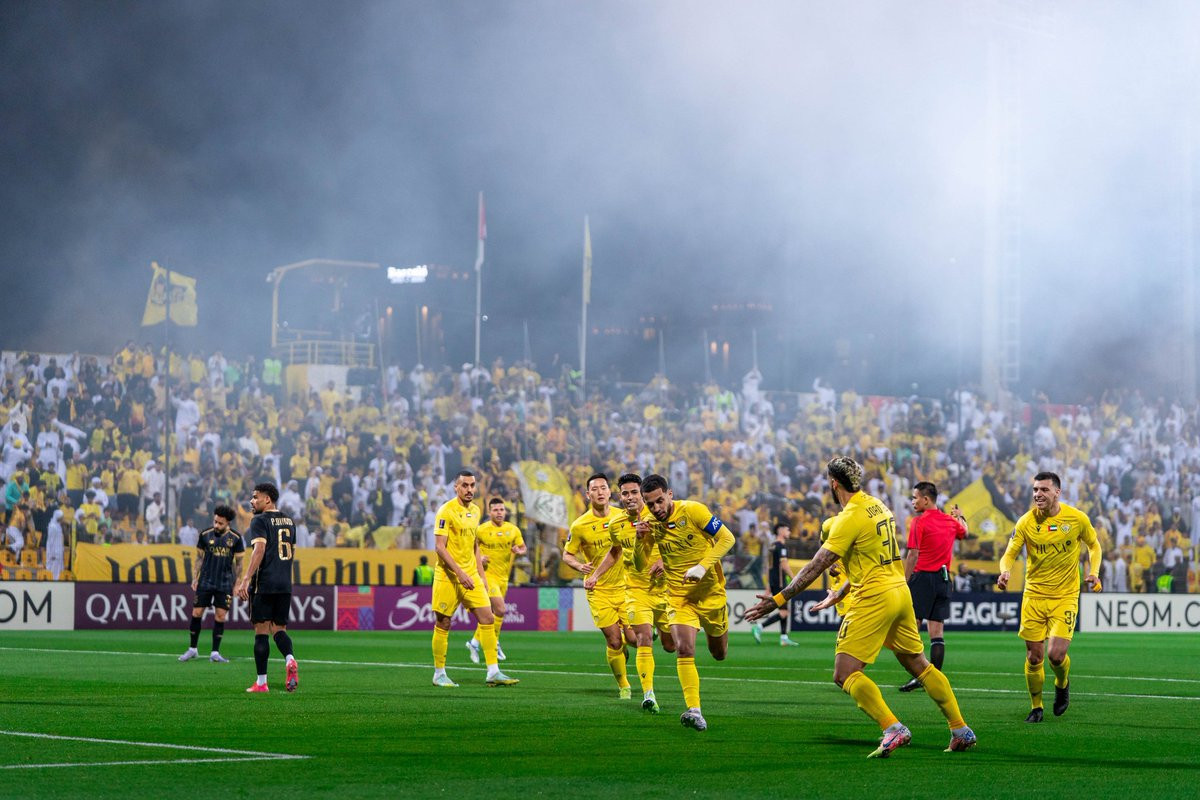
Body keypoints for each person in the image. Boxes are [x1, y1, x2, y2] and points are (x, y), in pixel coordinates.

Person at [745, 457, 976, 757]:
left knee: (845, 673)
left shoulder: (848, 517)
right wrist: (840, 593)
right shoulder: (878, 505)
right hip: (900, 592)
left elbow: (817, 565)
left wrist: (778, 599)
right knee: (920, 665)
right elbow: (869, 559)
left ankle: (892, 728)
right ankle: (960, 729)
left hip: (874, 597)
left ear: (834, 483)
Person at [997, 471, 1102, 722]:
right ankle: (1036, 707)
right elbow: (1009, 553)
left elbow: (1094, 545)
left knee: (1056, 655)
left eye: (1044, 489)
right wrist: (1005, 571)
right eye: (1035, 490)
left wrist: (1094, 573)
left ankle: (1062, 683)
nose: (1038, 494)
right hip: (1034, 596)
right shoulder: (1026, 522)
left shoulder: (1076, 518)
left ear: (1057, 492)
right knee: (1034, 656)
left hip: (1065, 596)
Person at [637, 473, 734, 732]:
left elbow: (728, 539)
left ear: (669, 494)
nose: (656, 508)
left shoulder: (693, 511)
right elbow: (639, 564)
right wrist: (639, 541)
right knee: (684, 648)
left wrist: (702, 567)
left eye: (660, 501)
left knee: (719, 654)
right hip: (678, 596)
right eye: (650, 504)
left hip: (710, 593)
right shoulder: (648, 522)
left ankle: (719, 635)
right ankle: (694, 710)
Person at [430, 470, 517, 688]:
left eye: (472, 485)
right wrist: (460, 574)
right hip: (448, 577)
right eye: (465, 485)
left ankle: (493, 671)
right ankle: (439, 674)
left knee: (488, 618)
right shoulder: (446, 511)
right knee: (444, 622)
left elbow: (474, 546)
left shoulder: (476, 510)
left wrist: (481, 576)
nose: (469, 490)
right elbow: (439, 547)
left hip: (471, 576)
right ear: (456, 487)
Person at [563, 473, 632, 699]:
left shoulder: (622, 516)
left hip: (626, 587)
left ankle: (627, 645)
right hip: (598, 589)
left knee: (633, 639)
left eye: (603, 488)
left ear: (610, 492)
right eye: (595, 489)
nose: (600, 492)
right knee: (614, 640)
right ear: (588, 494)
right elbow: (567, 554)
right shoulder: (580, 525)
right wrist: (579, 565)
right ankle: (624, 686)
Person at [613, 472, 676, 713]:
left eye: (634, 492)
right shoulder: (616, 525)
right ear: (620, 496)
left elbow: (681, 546)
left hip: (666, 590)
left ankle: (661, 630)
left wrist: (664, 562)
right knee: (643, 639)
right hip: (636, 590)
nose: (630, 497)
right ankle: (648, 694)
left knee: (671, 646)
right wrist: (596, 575)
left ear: (643, 494)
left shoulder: (661, 516)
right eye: (625, 493)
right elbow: (614, 552)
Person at [898, 481, 968, 692]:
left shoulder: (919, 522)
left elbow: (913, 554)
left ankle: (921, 675)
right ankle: (934, 680)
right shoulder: (949, 521)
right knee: (937, 633)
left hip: (922, 578)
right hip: (943, 580)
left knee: (912, 630)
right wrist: (960, 516)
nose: (913, 501)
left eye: (915, 497)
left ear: (926, 499)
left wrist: (904, 580)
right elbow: (964, 531)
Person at [234, 483, 299, 693]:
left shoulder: (259, 520)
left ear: (267, 499)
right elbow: (292, 553)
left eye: (255, 497)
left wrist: (246, 579)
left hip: (265, 583)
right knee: (279, 630)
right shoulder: (289, 521)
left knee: (261, 631)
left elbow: (259, 549)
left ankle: (261, 683)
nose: (252, 501)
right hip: (284, 583)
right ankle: (290, 659)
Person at [179, 505, 244, 664]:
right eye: (215, 521)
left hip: (225, 582)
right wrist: (195, 577)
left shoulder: (236, 538)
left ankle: (215, 652)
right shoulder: (205, 535)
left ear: (228, 523)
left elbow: (239, 563)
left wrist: (237, 584)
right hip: (206, 581)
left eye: (220, 523)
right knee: (196, 613)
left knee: (220, 616)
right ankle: (192, 649)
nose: (216, 525)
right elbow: (199, 558)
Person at [466, 497, 526, 663]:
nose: (499, 513)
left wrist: (519, 551)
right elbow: (469, 549)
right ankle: (494, 642)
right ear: (489, 512)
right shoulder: (481, 530)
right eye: (495, 510)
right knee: (500, 609)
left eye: (501, 509)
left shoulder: (513, 530)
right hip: (487, 577)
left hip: (503, 578)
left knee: (491, 615)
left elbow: (523, 547)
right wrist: (479, 559)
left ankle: (474, 643)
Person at [750, 524, 800, 646]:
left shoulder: (772, 546)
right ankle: (759, 627)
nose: (789, 532)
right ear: (780, 531)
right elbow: (784, 565)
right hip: (780, 582)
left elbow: (769, 567)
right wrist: (794, 578)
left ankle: (783, 637)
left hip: (774, 581)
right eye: (787, 529)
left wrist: (769, 584)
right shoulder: (781, 546)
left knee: (784, 610)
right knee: (784, 612)